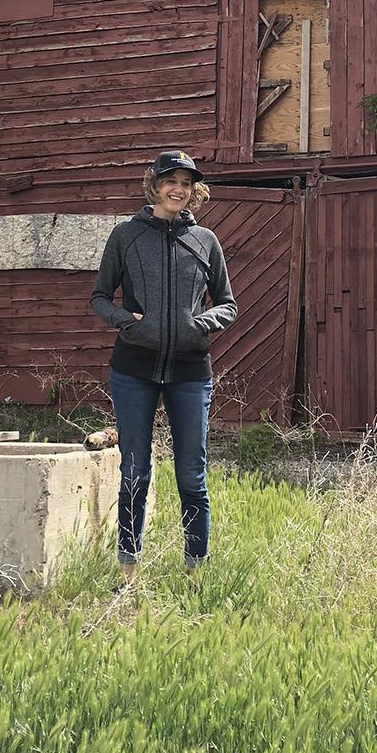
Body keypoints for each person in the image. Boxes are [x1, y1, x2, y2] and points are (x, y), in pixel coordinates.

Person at [90, 150, 236, 574]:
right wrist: (124, 320)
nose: (179, 189)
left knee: (192, 474)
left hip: (190, 371)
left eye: (187, 183)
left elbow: (227, 304)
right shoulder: (126, 236)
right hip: (133, 367)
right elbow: (99, 297)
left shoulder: (205, 241)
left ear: (193, 192)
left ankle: (195, 569)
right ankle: (128, 568)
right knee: (135, 470)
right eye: (171, 180)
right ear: (154, 185)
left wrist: (200, 324)